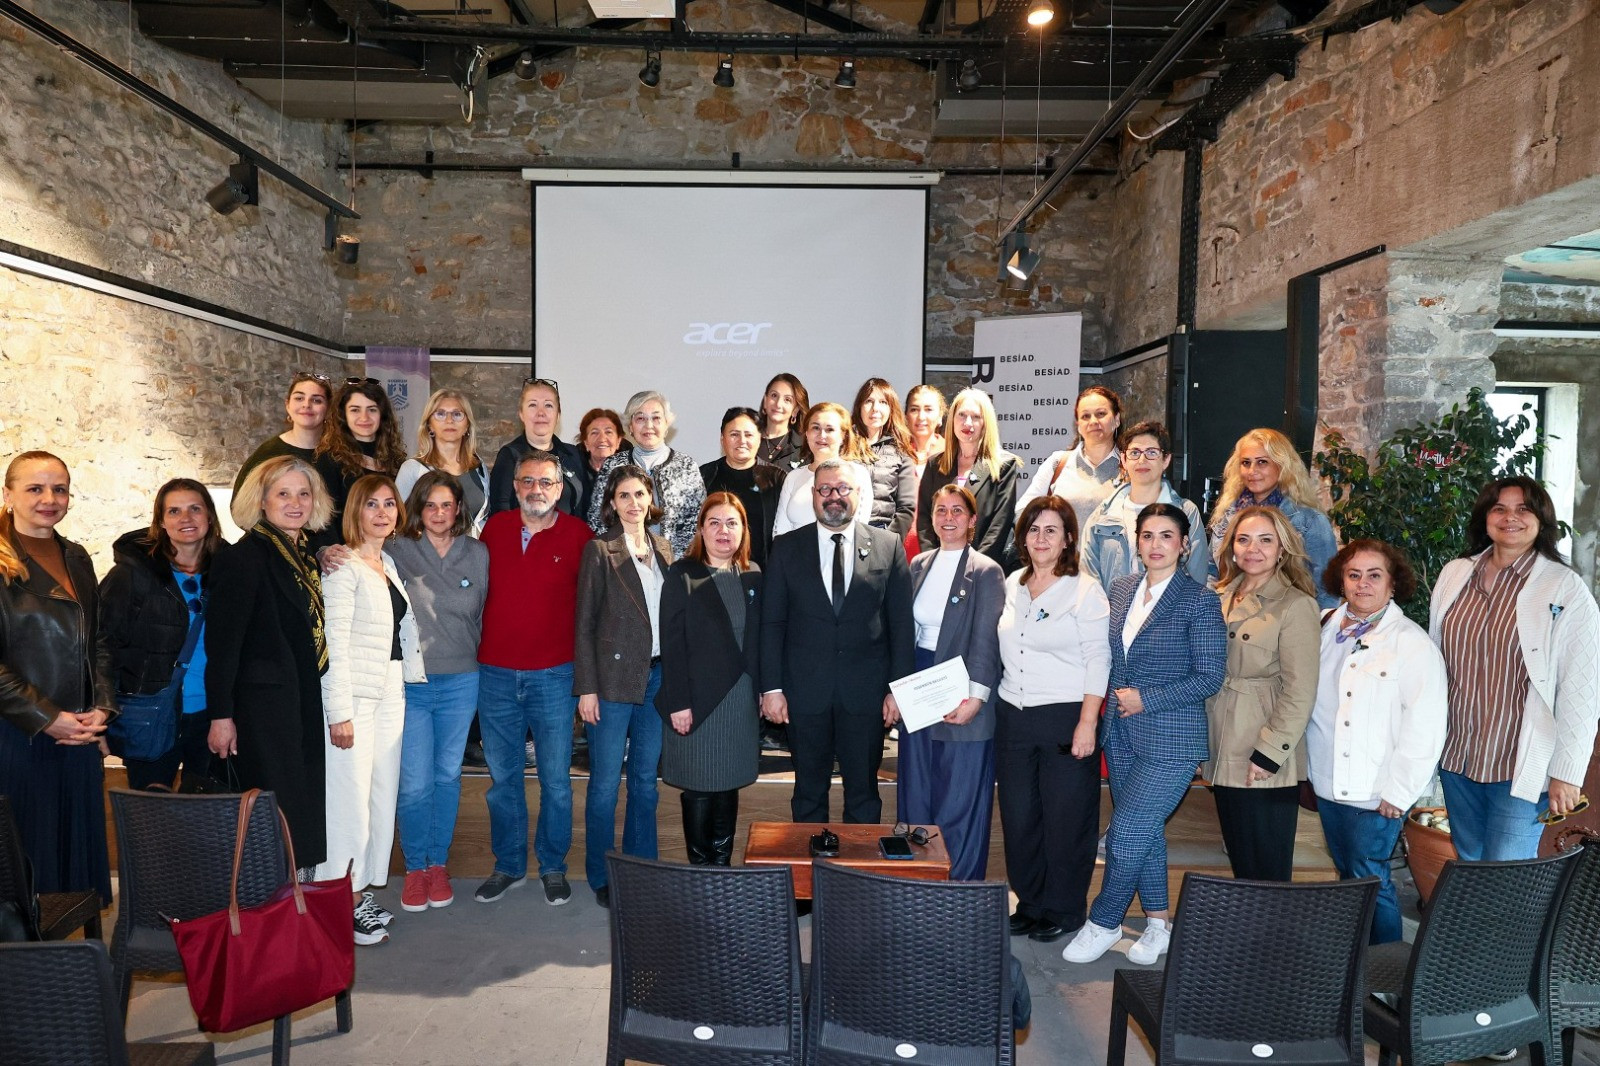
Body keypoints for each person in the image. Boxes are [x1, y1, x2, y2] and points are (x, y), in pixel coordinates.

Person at [1063, 503, 1225, 966]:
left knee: (1125, 835)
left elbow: (1209, 676)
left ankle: (1104, 921)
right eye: (1148, 535)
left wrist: (1146, 699)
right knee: (1147, 834)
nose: (1156, 545)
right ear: (1136, 543)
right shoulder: (1120, 589)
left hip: (1172, 740)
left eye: (1167, 536)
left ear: (1184, 545)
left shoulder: (1199, 600)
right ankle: (1158, 925)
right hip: (1121, 735)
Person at [1429, 476, 1600, 860]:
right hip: (1457, 757)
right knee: (1469, 864)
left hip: (1519, 765)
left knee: (1507, 873)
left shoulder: (1565, 589)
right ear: (1485, 517)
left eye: (1523, 509)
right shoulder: (1455, 574)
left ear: (1541, 520)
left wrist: (1567, 772)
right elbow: (1435, 665)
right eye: (1499, 508)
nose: (1511, 518)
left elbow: (1582, 689)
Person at [761, 459, 914, 824]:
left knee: (864, 795)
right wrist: (772, 688)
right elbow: (772, 623)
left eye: (843, 488)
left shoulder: (888, 546)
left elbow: (901, 626)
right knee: (808, 795)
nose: (834, 496)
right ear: (814, 495)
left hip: (866, 695)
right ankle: (808, 863)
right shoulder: (786, 548)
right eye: (825, 489)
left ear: (858, 494)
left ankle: (859, 863)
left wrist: (898, 690)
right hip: (804, 693)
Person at [1309, 540, 1447, 943]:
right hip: (1328, 782)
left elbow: (1426, 725)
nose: (1363, 584)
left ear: (1392, 583)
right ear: (1341, 581)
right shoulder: (1325, 626)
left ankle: (1384, 969)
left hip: (1375, 791)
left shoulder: (1411, 642)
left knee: (1370, 877)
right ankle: (1355, 960)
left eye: (1374, 575)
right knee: (1350, 875)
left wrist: (1399, 792)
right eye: (1354, 575)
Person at [207, 455, 336, 875]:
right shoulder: (243, 557)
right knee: (275, 807)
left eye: (303, 494)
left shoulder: (304, 555)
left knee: (299, 801)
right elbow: (222, 646)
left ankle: (297, 892)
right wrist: (221, 715)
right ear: (262, 501)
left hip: (299, 698)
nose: (295, 503)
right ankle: (273, 896)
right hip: (261, 709)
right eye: (283, 494)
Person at [475, 450, 593, 906]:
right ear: (515, 486)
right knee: (503, 780)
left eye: (545, 482)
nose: (536, 490)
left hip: (555, 676)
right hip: (496, 675)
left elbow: (591, 612)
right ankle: (508, 865)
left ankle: (553, 866)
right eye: (527, 481)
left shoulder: (580, 536)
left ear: (559, 489)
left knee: (555, 781)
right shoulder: (494, 530)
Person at [0, 451, 115, 903]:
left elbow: (97, 640)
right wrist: (47, 717)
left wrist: (101, 707)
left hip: (78, 734)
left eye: (59, 489)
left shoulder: (76, 556)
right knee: (25, 874)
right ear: (8, 495)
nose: (49, 499)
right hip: (18, 736)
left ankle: (72, 948)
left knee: (72, 873)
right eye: (35, 488)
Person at [993, 495, 1109, 940]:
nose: (1041, 538)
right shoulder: (1012, 584)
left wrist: (1088, 722)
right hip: (1014, 716)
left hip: (1066, 716)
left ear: (1068, 539)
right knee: (1020, 817)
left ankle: (1064, 909)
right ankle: (1030, 902)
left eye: (1051, 530)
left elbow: (1098, 659)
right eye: (1033, 529)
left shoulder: (1084, 589)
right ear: (1023, 537)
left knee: (1066, 819)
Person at [315, 475, 424, 945]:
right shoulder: (343, 565)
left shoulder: (387, 563)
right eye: (371, 504)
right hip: (354, 700)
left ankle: (359, 891)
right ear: (355, 511)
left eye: (389, 504)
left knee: (379, 797)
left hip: (389, 693)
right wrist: (338, 712)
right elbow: (332, 646)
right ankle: (342, 900)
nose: (382, 513)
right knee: (348, 804)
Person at [389, 472, 489, 915]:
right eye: (430, 505)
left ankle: (437, 865)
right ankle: (415, 867)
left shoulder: (478, 553)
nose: (438, 513)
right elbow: (353, 553)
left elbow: (482, 615)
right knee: (414, 782)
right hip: (413, 683)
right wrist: (324, 550)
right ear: (418, 508)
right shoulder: (398, 549)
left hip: (463, 680)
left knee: (447, 776)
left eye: (447, 505)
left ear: (458, 509)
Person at [895, 484, 1005, 882]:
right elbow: (904, 632)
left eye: (957, 511)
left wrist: (976, 697)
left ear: (973, 520)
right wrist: (895, 690)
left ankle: (958, 892)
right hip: (919, 685)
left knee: (958, 797)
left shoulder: (987, 570)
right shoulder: (918, 564)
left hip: (963, 686)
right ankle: (916, 885)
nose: (948, 518)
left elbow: (986, 639)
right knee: (916, 792)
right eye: (941, 510)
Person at [1204, 505, 1321, 882]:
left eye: (1265, 540)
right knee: (1242, 862)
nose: (1253, 549)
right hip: (1222, 743)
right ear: (1231, 547)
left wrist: (1270, 752)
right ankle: (1248, 922)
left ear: (1282, 548)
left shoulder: (1296, 604)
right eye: (1244, 539)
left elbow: (1300, 690)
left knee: (1267, 870)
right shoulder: (1219, 597)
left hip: (1261, 748)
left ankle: (1272, 924)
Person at [573, 465, 672, 908]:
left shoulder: (664, 547)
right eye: (624, 496)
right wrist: (587, 689)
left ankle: (642, 869)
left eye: (640, 494)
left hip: (656, 678)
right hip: (610, 683)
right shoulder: (600, 550)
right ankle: (603, 875)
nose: (634, 503)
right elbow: (584, 624)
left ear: (651, 499)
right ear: (612, 503)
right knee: (605, 785)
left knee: (645, 783)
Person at [657, 494, 763, 866]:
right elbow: (672, 644)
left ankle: (721, 869)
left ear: (743, 530)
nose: (723, 530)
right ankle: (700, 872)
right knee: (699, 786)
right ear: (701, 529)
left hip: (740, 699)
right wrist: (678, 702)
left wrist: (764, 690)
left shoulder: (753, 573)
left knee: (727, 782)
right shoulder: (683, 573)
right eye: (714, 522)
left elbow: (759, 640)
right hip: (696, 700)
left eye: (732, 523)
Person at [99, 478, 224, 793]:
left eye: (195, 509)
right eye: (174, 511)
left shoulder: (228, 571)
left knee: (207, 813)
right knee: (149, 812)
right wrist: (100, 717)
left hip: (213, 717)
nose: (186, 518)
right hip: (152, 715)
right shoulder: (132, 575)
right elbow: (102, 646)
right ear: (161, 522)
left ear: (210, 516)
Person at [1207, 428, 1339, 609]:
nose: (1252, 470)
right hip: (1227, 615)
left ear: (1282, 466)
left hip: (1283, 619)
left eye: (1262, 462)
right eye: (1246, 463)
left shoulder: (1309, 521)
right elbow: (1211, 572)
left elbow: (1327, 590)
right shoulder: (1227, 515)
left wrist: (1307, 623)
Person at [1081, 421, 1209, 592]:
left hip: (1170, 608)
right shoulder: (1102, 516)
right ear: (1124, 460)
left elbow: (1197, 580)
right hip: (1111, 608)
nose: (1142, 460)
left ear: (1166, 460)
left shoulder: (1186, 512)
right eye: (1134, 453)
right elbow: (1089, 583)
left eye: (1151, 452)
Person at [587, 390, 705, 557]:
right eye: (640, 418)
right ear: (630, 426)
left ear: (666, 425)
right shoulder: (613, 466)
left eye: (656, 418)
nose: (649, 425)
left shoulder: (686, 466)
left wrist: (675, 560)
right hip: (622, 563)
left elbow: (697, 522)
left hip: (675, 563)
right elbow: (597, 520)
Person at [915, 388, 1023, 570]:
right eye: (962, 415)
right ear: (952, 419)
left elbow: (999, 527)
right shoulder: (935, 464)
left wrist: (971, 568)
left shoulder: (1003, 466)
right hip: (940, 567)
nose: (967, 423)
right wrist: (935, 563)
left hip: (982, 570)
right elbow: (925, 520)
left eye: (976, 417)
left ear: (986, 423)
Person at [1017, 386, 1124, 531]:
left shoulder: (1132, 466)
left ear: (1116, 419)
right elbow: (1022, 513)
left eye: (1101, 414)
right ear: (1078, 425)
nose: (1093, 421)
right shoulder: (1058, 463)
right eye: (1085, 416)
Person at [772, 402, 875, 538]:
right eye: (816, 428)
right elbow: (780, 532)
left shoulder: (858, 474)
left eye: (830, 429)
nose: (822, 435)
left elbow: (859, 531)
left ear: (843, 435)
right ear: (807, 433)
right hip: (795, 551)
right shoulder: (793, 477)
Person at [395, 389, 489, 537]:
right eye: (440, 414)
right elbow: (398, 523)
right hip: (428, 550)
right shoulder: (412, 469)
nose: (449, 420)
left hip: (475, 549)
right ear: (429, 425)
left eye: (457, 414)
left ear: (467, 426)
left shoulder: (478, 466)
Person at [488, 378, 586, 517]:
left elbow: (582, 509)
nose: (541, 412)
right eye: (533, 405)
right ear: (521, 414)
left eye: (548, 405)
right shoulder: (510, 455)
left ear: (558, 415)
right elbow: (501, 514)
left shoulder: (573, 454)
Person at [700, 406, 784, 568]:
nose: (742, 441)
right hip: (712, 571)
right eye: (734, 434)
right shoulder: (705, 476)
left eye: (749, 435)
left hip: (763, 572)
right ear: (722, 439)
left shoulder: (777, 478)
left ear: (760, 439)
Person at [234, 371, 341, 495]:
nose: (306, 405)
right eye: (299, 398)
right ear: (288, 405)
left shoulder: (340, 455)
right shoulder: (268, 453)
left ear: (328, 409)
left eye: (316, 400)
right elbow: (241, 502)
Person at [315, 378, 408, 513]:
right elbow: (325, 519)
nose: (364, 417)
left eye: (372, 410)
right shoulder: (329, 461)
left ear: (382, 414)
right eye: (355, 410)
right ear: (343, 415)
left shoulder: (396, 462)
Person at [851, 378, 916, 536]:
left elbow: (906, 508)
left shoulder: (901, 451)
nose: (875, 408)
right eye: (869, 401)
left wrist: (889, 541)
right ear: (859, 406)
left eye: (883, 402)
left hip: (883, 532)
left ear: (891, 408)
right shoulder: (844, 445)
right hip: (848, 531)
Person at [902, 383, 948, 557]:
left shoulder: (951, 455)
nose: (921, 416)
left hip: (939, 548)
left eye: (928, 409)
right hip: (900, 550)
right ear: (906, 416)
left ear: (940, 416)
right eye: (914, 409)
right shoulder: (895, 454)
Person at [575, 407, 625, 520]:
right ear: (586, 443)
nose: (602, 439)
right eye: (594, 433)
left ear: (618, 441)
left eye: (608, 432)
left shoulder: (629, 476)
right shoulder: (575, 475)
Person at [757, 372, 810, 470]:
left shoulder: (805, 449)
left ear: (795, 410)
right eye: (774, 395)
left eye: (787, 400)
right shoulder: (747, 440)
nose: (778, 404)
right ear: (765, 401)